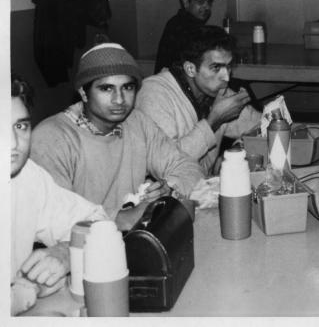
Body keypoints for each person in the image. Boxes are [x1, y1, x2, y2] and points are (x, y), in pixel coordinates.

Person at [30, 43, 204, 218]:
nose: (119, 99)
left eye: (127, 87)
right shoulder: (51, 137)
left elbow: (188, 168)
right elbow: (53, 216)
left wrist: (169, 190)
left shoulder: (137, 122)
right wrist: (121, 218)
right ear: (83, 93)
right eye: (107, 88)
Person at [11, 74, 109, 316]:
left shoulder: (25, 176)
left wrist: (65, 251)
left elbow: (97, 221)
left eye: (20, 126)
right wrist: (18, 295)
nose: (13, 143)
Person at [136, 26, 261, 175]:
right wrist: (213, 121)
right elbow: (166, 165)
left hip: (202, 190)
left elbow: (261, 124)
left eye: (228, 67)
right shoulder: (154, 94)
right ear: (190, 69)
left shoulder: (213, 90)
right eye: (216, 68)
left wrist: (235, 151)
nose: (226, 77)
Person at [154, 0, 219, 74]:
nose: (207, 7)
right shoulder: (180, 26)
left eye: (209, 2)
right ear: (186, 3)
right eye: (200, 1)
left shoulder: (187, 22)